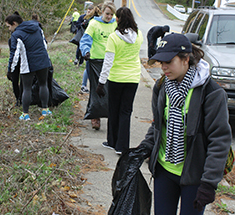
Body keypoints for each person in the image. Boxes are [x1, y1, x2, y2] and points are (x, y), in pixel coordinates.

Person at [136, 33, 232, 214]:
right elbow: (158, 125)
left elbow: (219, 140)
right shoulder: (162, 86)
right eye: (160, 62)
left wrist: (209, 183)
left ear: (186, 59)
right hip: (164, 171)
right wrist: (144, 148)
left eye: (169, 62)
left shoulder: (211, 93)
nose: (163, 67)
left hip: (194, 177)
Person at [96, 7, 143, 155]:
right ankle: (122, 147)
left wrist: (101, 82)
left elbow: (108, 62)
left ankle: (112, 141)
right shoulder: (139, 35)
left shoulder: (114, 37)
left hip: (116, 78)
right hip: (133, 77)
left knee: (114, 110)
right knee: (126, 112)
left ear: (118, 19)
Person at [5, 12, 52, 120]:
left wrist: (10, 71)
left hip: (28, 64)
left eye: (9, 26)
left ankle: (25, 114)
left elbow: (14, 55)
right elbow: (44, 44)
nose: (9, 29)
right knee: (43, 84)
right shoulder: (37, 27)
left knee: (26, 88)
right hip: (43, 61)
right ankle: (45, 110)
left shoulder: (16, 35)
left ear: (14, 23)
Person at [80, 1, 117, 130]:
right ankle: (95, 117)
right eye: (107, 14)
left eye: (111, 14)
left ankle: (110, 115)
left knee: (109, 90)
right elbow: (85, 40)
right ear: (101, 12)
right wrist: (86, 51)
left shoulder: (115, 24)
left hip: (111, 61)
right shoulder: (94, 24)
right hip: (95, 61)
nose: (109, 17)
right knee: (96, 90)